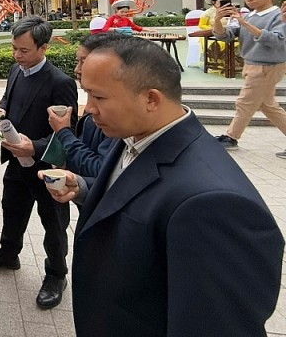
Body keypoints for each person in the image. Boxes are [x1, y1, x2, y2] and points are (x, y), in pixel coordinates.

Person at [40, 37, 284, 336]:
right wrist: (84, 187)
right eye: (87, 94)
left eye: (99, 97)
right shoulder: (134, 135)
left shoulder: (215, 204)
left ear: (151, 99)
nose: (89, 109)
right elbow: (134, 195)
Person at [0, 16, 77, 310]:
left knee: (53, 224)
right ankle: (9, 254)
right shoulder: (15, 70)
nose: (17, 55)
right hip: (16, 161)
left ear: (43, 48)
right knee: (12, 210)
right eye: (14, 48)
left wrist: (36, 146)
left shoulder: (60, 82)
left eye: (24, 50)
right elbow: (8, 99)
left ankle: (56, 275)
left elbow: (70, 131)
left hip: (47, 168)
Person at [212, 0, 286, 153]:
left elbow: (276, 41)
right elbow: (226, 36)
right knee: (268, 105)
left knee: (244, 102)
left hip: (267, 66)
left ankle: (231, 137)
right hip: (252, 64)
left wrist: (244, 23)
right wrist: (217, 19)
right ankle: (231, 138)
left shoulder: (278, 16)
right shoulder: (249, 15)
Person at [46, 32, 129, 184]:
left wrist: (64, 132)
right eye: (77, 61)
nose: (77, 69)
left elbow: (101, 170)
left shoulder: (121, 118)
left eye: (84, 62)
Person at [199, 0, 234, 65]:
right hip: (212, 35)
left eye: (226, 2)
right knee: (218, 44)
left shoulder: (230, 11)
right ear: (213, 3)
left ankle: (233, 64)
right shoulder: (207, 13)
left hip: (229, 33)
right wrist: (213, 29)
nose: (223, 4)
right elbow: (201, 25)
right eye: (221, 2)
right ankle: (217, 64)